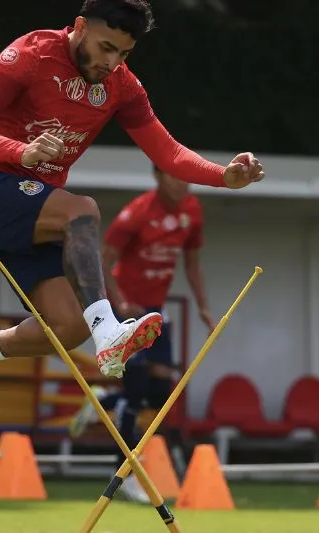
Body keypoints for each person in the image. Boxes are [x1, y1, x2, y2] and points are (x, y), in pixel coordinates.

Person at [0, 0, 264, 421]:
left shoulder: (121, 87)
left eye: (123, 54)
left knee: (68, 328)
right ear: (78, 27)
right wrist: (21, 152)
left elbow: (166, 152)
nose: (111, 62)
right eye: (106, 47)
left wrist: (223, 176)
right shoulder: (31, 54)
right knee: (82, 209)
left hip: (34, 212)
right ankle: (108, 330)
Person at [67, 165, 214, 502]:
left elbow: (192, 264)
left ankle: (104, 402)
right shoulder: (137, 212)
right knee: (135, 389)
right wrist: (120, 301)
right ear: (159, 178)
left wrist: (204, 306)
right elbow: (102, 259)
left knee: (161, 392)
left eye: (187, 177)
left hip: (155, 311)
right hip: (124, 311)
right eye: (175, 176)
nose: (183, 184)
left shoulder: (192, 212)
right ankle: (126, 474)